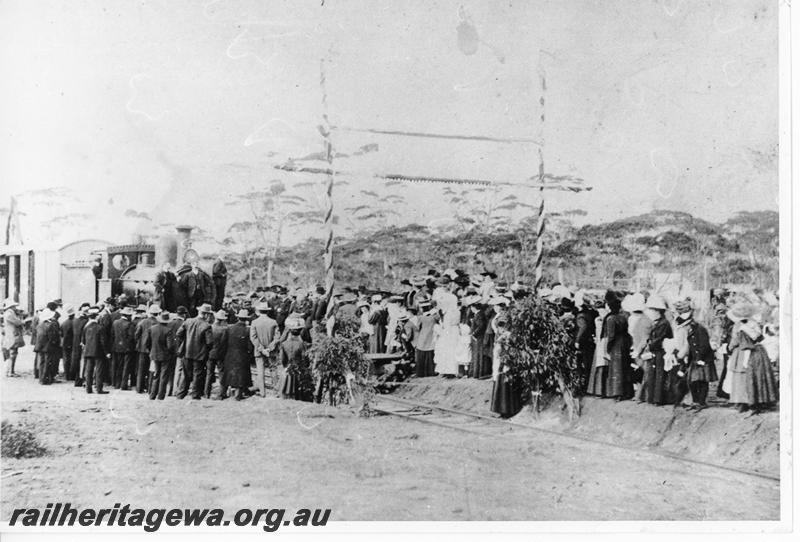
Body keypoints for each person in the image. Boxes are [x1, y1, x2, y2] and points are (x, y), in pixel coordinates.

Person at [674, 299, 717, 409]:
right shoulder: (686, 327)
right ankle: (696, 401)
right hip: (695, 357)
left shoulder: (699, 328)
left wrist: (699, 358)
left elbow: (703, 345)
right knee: (693, 380)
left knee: (701, 380)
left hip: (702, 358)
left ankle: (701, 402)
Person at [639, 295, 673, 405]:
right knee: (654, 375)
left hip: (660, 351)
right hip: (656, 351)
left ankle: (658, 399)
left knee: (659, 375)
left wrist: (649, 345)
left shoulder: (663, 323)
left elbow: (659, 339)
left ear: (657, 311)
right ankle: (653, 398)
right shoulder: (659, 322)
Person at [176, 303, 214, 400]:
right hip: (200, 355)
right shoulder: (207, 326)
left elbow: (178, 334)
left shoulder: (188, 321)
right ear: (206, 314)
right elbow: (209, 343)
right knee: (197, 375)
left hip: (187, 353)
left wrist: (184, 343)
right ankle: (195, 395)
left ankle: (180, 394)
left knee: (185, 374)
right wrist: (205, 349)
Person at [222, 309, 254, 400]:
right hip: (242, 354)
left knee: (228, 373)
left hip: (230, 354)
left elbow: (224, 342)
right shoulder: (247, 330)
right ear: (246, 319)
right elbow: (250, 345)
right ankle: (238, 394)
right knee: (241, 374)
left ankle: (224, 392)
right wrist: (250, 354)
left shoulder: (229, 328)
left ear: (238, 318)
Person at [250, 302, 278, 397]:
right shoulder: (273, 322)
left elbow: (253, 338)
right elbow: (277, 337)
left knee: (260, 370)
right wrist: (269, 348)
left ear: (259, 311)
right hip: (271, 351)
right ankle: (276, 391)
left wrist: (262, 349)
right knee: (273, 370)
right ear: (267, 311)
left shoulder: (254, 322)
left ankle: (262, 392)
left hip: (259, 350)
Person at [573, 291, 599, 393]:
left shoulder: (581, 315)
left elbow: (582, 327)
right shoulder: (592, 312)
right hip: (590, 340)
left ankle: (584, 387)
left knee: (582, 364)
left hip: (583, 342)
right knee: (589, 364)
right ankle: (590, 386)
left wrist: (577, 340)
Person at [145, 311, 174, 400]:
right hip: (165, 356)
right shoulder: (168, 331)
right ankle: (161, 395)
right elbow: (170, 346)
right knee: (163, 376)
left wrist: (151, 351)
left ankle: (152, 394)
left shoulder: (152, 329)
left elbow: (147, 343)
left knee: (156, 374)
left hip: (154, 355)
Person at [279, 317, 309, 400]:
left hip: (287, 367)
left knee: (285, 387)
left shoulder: (284, 344)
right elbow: (304, 357)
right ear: (299, 331)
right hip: (297, 368)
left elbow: (282, 359)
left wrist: (285, 366)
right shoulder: (301, 344)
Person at [81, 307, 108, 394]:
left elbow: (83, 341)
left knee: (89, 371)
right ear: (96, 317)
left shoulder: (86, 327)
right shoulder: (100, 328)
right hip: (98, 352)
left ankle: (88, 389)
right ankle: (99, 389)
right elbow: (103, 342)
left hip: (88, 352)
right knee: (99, 370)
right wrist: (107, 352)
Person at [133, 305, 159, 394]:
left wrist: (139, 343)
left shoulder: (142, 322)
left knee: (141, 369)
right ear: (157, 313)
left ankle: (139, 388)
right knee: (151, 369)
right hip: (153, 349)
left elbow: (136, 335)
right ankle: (149, 388)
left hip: (142, 349)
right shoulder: (158, 323)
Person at [411, 300, 439, 377]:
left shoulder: (420, 318)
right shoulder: (434, 316)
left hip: (423, 337)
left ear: (422, 309)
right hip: (431, 336)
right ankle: (431, 371)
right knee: (430, 353)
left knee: (422, 353)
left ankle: (421, 372)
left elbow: (417, 328)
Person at [111, 307, 136, 389]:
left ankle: (117, 384)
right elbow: (131, 337)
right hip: (127, 348)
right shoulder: (129, 324)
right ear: (128, 316)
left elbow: (112, 334)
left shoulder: (115, 322)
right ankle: (124, 385)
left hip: (117, 347)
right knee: (126, 366)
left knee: (119, 366)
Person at [206, 310, 229, 399]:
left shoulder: (210, 327)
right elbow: (224, 343)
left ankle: (206, 393)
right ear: (222, 320)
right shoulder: (224, 330)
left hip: (210, 354)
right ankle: (221, 394)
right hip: (220, 355)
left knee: (209, 373)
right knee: (221, 374)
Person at [167, 306, 188, 396]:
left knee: (170, 370)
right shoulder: (184, 324)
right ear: (184, 314)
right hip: (180, 350)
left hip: (170, 349)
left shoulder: (170, 323)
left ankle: (168, 389)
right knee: (178, 370)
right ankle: (176, 390)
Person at [2, 299, 24, 377]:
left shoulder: (9, 313)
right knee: (13, 354)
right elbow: (18, 322)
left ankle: (10, 371)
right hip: (12, 336)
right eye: (14, 306)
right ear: (11, 306)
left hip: (10, 335)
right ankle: (10, 371)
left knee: (13, 353)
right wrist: (21, 320)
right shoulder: (10, 314)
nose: (16, 308)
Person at [70, 304, 90, 386]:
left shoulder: (75, 320)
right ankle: (82, 379)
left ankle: (77, 379)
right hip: (83, 344)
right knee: (83, 362)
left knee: (77, 361)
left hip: (75, 343)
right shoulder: (86, 322)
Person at [59, 306, 75, 380]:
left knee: (66, 359)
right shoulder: (75, 323)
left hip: (65, 343)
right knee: (72, 359)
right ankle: (72, 375)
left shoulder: (64, 323)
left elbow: (61, 334)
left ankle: (67, 374)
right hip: (72, 343)